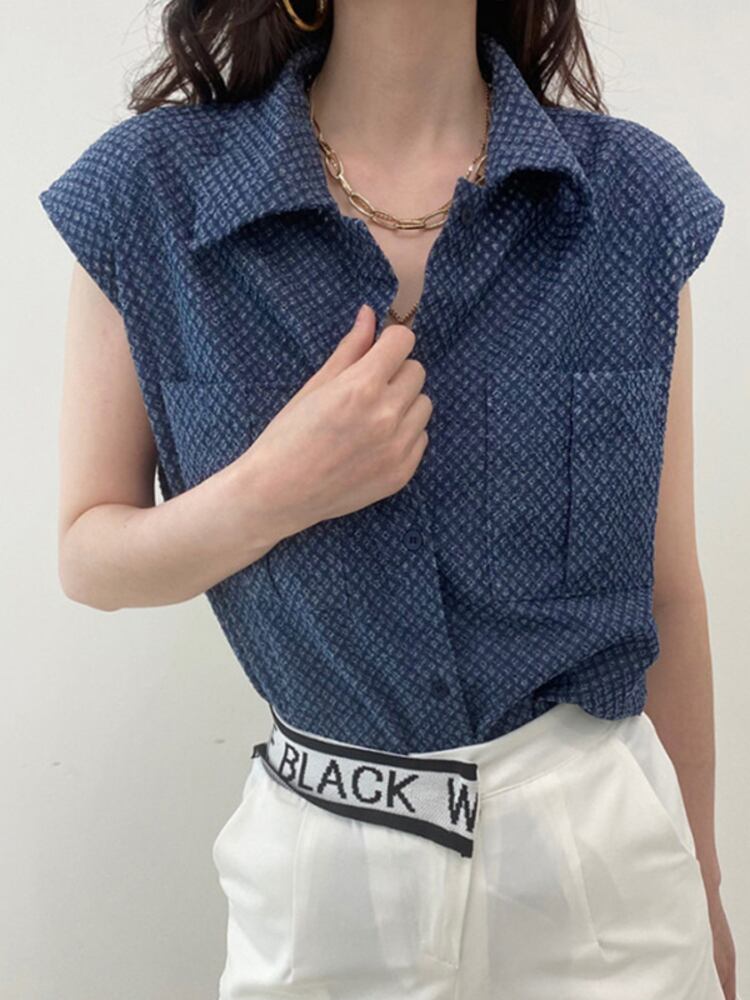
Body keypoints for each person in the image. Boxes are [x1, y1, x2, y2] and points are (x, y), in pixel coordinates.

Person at [38, 0, 737, 997]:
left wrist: (705, 885)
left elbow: (669, 594)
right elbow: (88, 553)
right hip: (322, 879)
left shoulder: (631, 203)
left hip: (604, 877)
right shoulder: (150, 197)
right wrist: (276, 487)